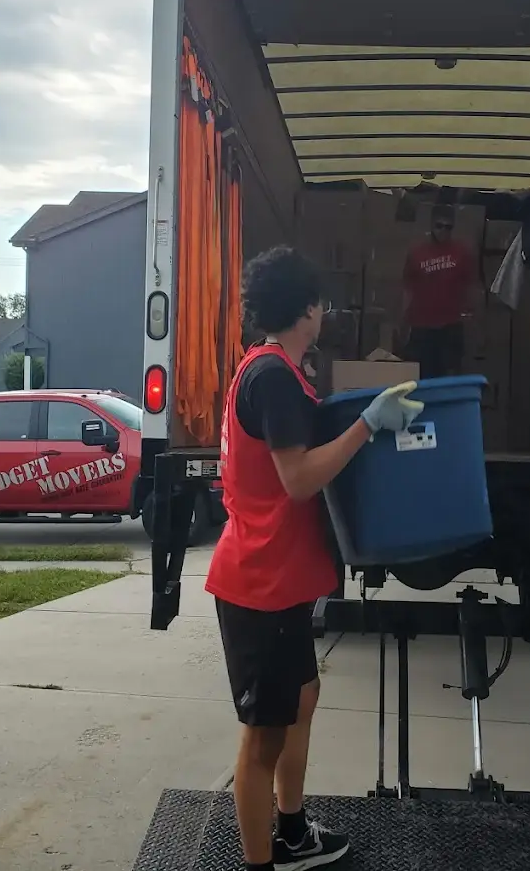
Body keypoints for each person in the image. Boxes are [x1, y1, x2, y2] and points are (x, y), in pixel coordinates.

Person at [205, 245, 425, 871]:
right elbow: (298, 479)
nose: (325, 312)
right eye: (323, 302)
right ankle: (260, 861)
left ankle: (294, 831)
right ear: (309, 308)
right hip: (259, 584)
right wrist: (368, 426)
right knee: (263, 738)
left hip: (278, 578)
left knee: (303, 698)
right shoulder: (272, 376)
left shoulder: (274, 368)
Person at [400, 202, 478, 379]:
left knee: (450, 377)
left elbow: (471, 287)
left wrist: (473, 319)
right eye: (439, 226)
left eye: (448, 227)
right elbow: (407, 290)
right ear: (431, 225)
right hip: (421, 326)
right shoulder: (416, 253)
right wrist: (403, 322)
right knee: (420, 376)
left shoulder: (462, 252)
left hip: (450, 325)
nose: (443, 231)